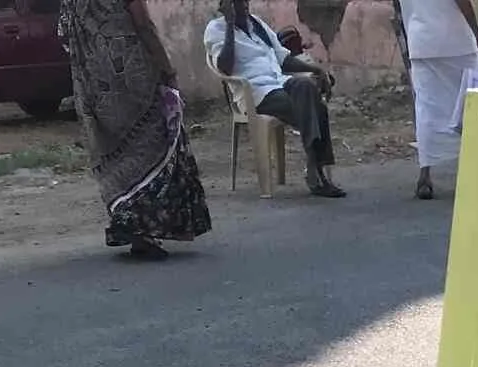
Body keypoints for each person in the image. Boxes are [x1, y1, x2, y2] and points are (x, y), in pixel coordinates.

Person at [58, 0, 212, 260]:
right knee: (153, 145)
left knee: (114, 152)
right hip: (133, 79)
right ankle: (144, 227)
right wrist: (167, 69)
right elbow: (143, 25)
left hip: (93, 84)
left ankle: (128, 222)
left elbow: (64, 34)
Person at [205, 1, 345, 198]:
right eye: (237, 2)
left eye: (245, 1)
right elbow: (225, 67)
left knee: (306, 86)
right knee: (316, 107)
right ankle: (316, 172)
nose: (244, 6)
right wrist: (229, 25)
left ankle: (314, 167)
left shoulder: (257, 25)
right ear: (225, 5)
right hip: (256, 93)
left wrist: (316, 69)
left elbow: (283, 59)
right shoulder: (216, 29)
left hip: (280, 82)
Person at [397, 0, 478, 201]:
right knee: (468, 107)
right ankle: (474, 172)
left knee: (426, 108)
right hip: (458, 45)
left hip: (421, 43)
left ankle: (425, 175)